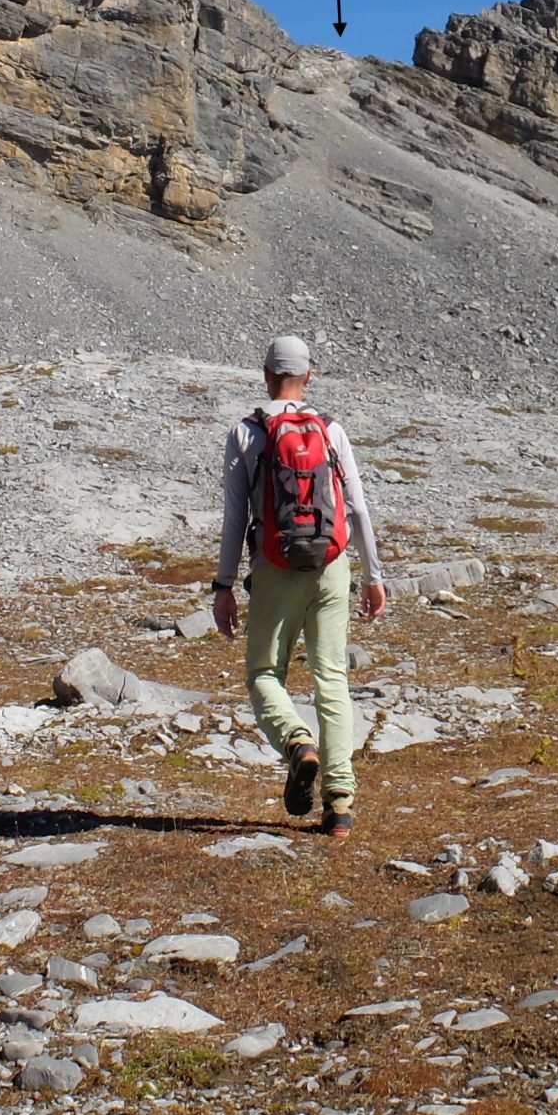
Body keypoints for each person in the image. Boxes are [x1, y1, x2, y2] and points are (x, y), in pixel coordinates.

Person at [212, 334, 389, 836]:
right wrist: (374, 575)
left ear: (265, 374)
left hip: (275, 566)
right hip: (332, 566)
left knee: (265, 673)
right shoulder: (331, 430)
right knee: (331, 676)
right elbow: (356, 506)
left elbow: (234, 518)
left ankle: (296, 744)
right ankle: (339, 802)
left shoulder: (247, 432)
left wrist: (223, 585)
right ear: (309, 376)